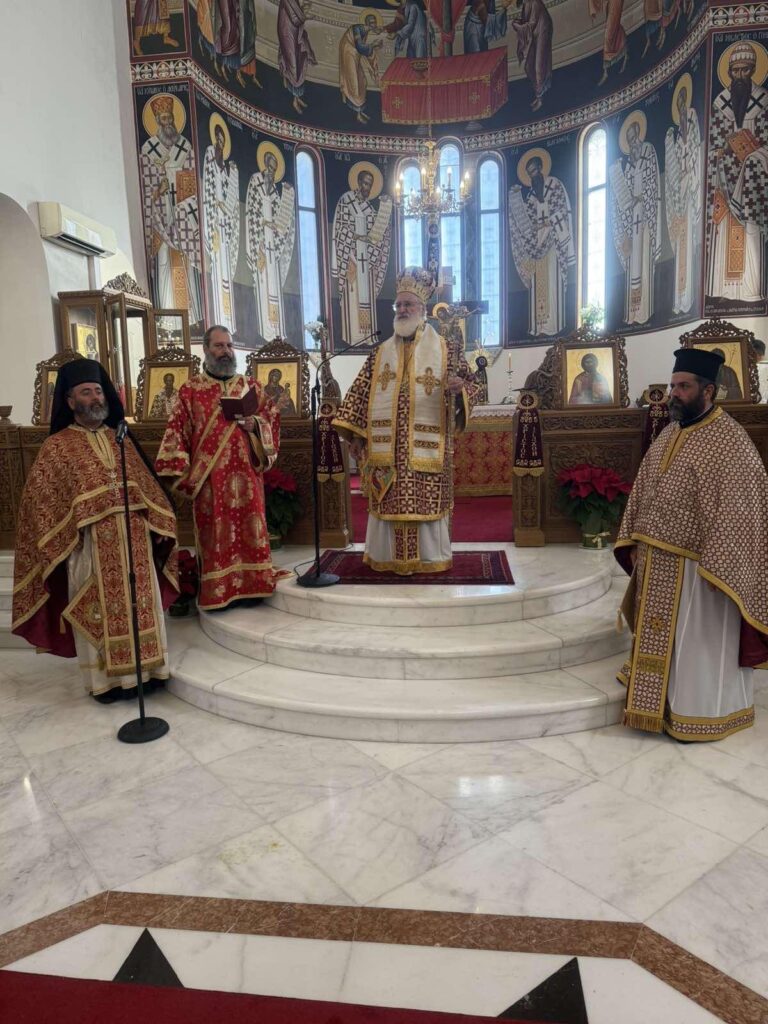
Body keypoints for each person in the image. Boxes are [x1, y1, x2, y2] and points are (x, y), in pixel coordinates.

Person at [615, 346, 768, 741]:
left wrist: (721, 563)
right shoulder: (671, 431)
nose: (674, 394)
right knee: (661, 637)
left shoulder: (730, 441)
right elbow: (645, 488)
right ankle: (657, 705)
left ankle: (698, 713)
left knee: (697, 643)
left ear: (708, 391)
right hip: (658, 558)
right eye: (673, 386)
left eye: (683, 387)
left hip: (703, 571)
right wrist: (635, 538)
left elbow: (743, 507)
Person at [12, 360, 178, 703]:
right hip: (88, 548)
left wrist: (158, 524)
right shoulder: (56, 447)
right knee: (98, 611)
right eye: (86, 392)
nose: (95, 398)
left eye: (99, 391)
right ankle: (107, 683)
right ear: (70, 401)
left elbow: (147, 487)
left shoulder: (120, 439)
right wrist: (66, 531)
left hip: (135, 543)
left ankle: (149, 673)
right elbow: (40, 505)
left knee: (141, 606)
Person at [332, 267, 480, 575]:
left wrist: (460, 390)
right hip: (387, 451)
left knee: (425, 501)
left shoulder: (447, 349)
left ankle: (428, 558)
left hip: (427, 449)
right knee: (389, 500)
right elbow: (360, 393)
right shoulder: (379, 353)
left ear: (422, 309)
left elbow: (474, 386)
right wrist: (356, 437)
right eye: (398, 305)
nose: (401, 310)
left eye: (408, 304)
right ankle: (387, 557)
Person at [155, 325, 288, 609]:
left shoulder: (251, 387)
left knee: (251, 529)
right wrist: (180, 471)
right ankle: (219, 591)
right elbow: (176, 431)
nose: (225, 351)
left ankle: (254, 585)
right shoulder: (191, 390)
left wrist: (256, 424)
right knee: (215, 532)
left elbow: (272, 419)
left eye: (229, 345)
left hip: (248, 477)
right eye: (218, 346)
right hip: (210, 480)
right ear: (206, 349)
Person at [707, 42, 768, 306]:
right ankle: (728, 290)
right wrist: (720, 152)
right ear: (729, 72)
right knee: (725, 229)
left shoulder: (764, 100)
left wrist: (754, 155)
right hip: (725, 176)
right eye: (735, 71)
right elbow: (714, 140)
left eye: (745, 70)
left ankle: (751, 289)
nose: (740, 76)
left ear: (753, 70)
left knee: (751, 228)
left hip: (753, 179)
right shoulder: (720, 103)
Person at [508, 152, 575, 336]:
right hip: (537, 245)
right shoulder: (531, 195)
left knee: (553, 282)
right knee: (538, 285)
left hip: (553, 241)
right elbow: (526, 222)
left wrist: (548, 223)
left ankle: (554, 324)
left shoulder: (554, 185)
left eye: (534, 171)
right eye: (529, 173)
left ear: (540, 168)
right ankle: (539, 326)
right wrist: (515, 199)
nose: (533, 176)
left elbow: (562, 209)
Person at [609, 113, 661, 325]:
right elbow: (623, 197)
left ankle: (646, 308)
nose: (632, 143)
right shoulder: (627, 164)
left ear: (639, 134)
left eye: (634, 138)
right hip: (632, 221)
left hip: (645, 217)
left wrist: (642, 199)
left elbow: (653, 181)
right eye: (629, 140)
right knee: (632, 261)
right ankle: (633, 312)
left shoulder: (648, 151)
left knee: (645, 258)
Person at [332, 166, 393, 345]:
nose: (367, 188)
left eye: (370, 185)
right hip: (350, 257)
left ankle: (367, 335)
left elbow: (378, 232)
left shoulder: (369, 208)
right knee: (352, 296)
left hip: (367, 260)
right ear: (358, 183)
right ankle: (352, 336)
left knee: (366, 294)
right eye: (365, 183)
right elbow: (340, 228)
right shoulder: (346, 200)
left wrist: (385, 210)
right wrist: (355, 240)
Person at [245, 147, 296, 341]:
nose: (272, 173)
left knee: (273, 284)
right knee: (262, 283)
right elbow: (251, 212)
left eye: (275, 170)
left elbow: (283, 223)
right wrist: (260, 236)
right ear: (265, 165)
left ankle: (276, 330)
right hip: (260, 243)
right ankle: (265, 329)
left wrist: (288, 198)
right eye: (270, 168)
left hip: (272, 246)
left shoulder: (275, 191)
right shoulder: (255, 181)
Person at [664, 79, 702, 315]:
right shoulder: (676, 142)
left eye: (683, 110)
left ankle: (689, 296)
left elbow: (696, 161)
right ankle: (679, 298)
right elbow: (673, 174)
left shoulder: (693, 135)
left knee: (689, 242)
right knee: (681, 246)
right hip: (680, 200)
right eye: (679, 111)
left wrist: (690, 180)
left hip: (691, 197)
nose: (682, 115)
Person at [202, 122, 240, 334]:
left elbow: (231, 200)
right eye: (218, 140)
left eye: (222, 142)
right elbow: (207, 189)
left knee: (226, 270)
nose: (220, 145)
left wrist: (233, 174)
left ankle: (228, 319)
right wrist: (212, 224)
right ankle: (219, 314)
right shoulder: (210, 159)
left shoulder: (226, 170)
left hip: (225, 226)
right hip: (214, 224)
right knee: (217, 268)